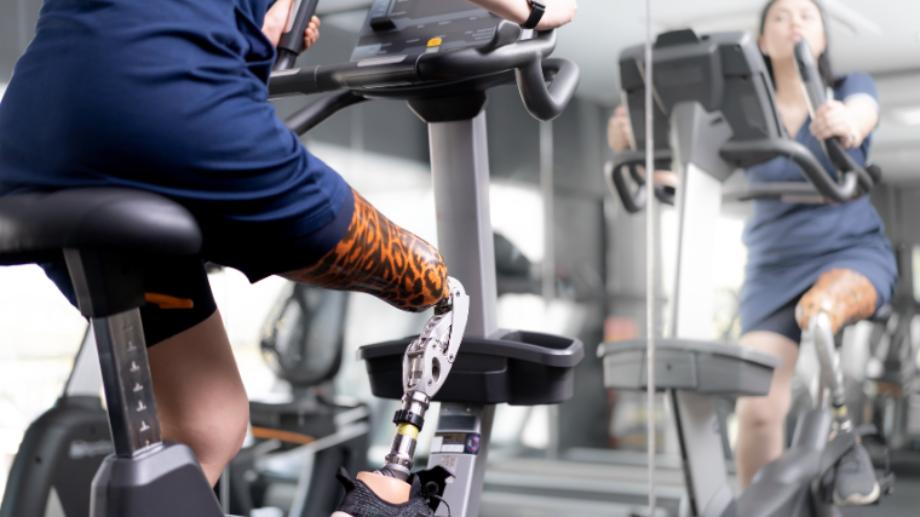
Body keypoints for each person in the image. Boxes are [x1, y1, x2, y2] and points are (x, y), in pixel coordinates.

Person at [0, 0, 577, 489]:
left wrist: (259, 24)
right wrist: (538, 9)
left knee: (207, 424)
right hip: (171, 102)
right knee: (434, 283)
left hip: (29, 141)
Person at [607, 0, 895, 505]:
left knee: (822, 315)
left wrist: (847, 121)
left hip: (849, 250)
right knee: (758, 405)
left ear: (823, 38)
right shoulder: (739, 112)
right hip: (773, 264)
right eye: (780, 17)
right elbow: (685, 178)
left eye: (807, 16)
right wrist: (641, 151)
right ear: (761, 41)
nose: (794, 23)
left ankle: (847, 438)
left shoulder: (847, 90)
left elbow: (862, 115)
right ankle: (756, 507)